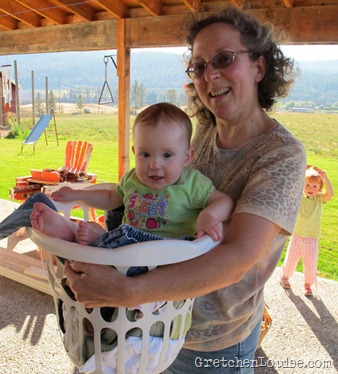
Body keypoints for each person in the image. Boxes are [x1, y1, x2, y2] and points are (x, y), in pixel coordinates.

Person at [61, 7, 306, 374]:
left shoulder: (280, 155)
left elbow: (238, 258)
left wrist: (128, 292)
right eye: (199, 66)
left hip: (212, 338)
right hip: (151, 324)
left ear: (259, 66)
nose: (210, 75)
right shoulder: (201, 131)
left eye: (224, 59)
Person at [30, 102, 234, 372]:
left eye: (167, 155)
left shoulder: (192, 184)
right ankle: (71, 236)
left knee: (117, 247)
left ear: (187, 157)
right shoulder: (132, 180)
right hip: (122, 258)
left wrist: (209, 216)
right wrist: (79, 194)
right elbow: (111, 197)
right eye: (146, 154)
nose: (154, 165)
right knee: (95, 260)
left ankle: (86, 239)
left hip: (163, 261)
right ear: (135, 152)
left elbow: (224, 201)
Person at [280, 165, 334, 296]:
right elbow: (291, 186)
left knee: (310, 262)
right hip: (296, 234)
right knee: (291, 259)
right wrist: (302, 171)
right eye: (308, 185)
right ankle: (284, 277)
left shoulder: (320, 199)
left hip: (311, 237)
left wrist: (324, 176)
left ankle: (308, 284)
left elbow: (331, 193)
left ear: (319, 188)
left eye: (315, 186)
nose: (311, 189)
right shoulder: (299, 196)